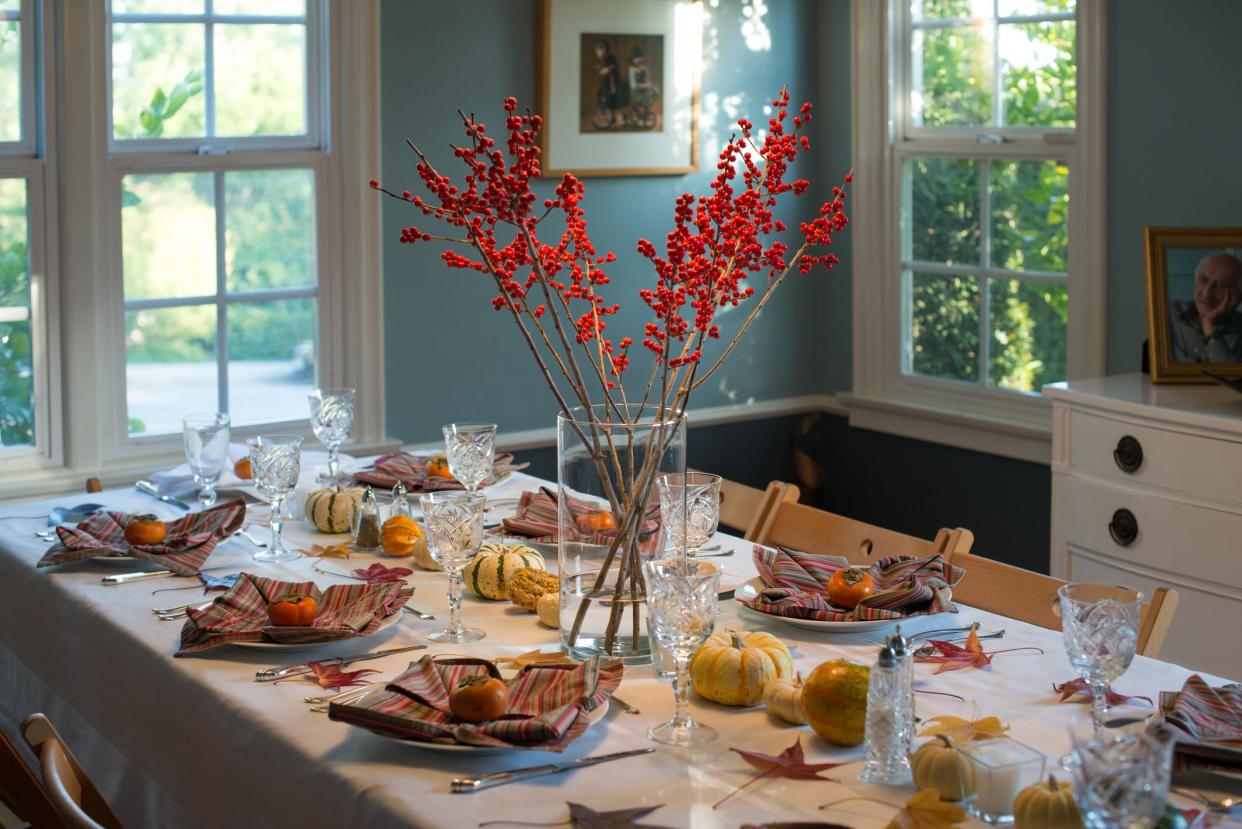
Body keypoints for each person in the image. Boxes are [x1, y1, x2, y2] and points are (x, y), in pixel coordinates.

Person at [1168, 251, 1242, 363]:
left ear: (1238, 296)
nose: (1207, 293)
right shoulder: (1168, 313)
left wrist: (1210, 327)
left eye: (1220, 285)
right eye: (1203, 279)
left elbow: (1230, 378)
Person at [593, 40, 620, 129]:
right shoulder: (603, 60)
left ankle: (611, 120)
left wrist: (606, 69)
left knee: (609, 104)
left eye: (598, 50)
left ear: (604, 50)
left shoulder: (610, 58)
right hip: (604, 85)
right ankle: (609, 120)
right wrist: (601, 69)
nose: (597, 53)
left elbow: (614, 67)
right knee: (604, 103)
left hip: (610, 86)